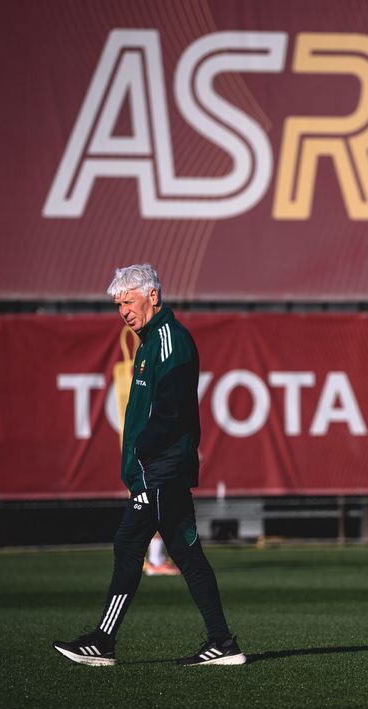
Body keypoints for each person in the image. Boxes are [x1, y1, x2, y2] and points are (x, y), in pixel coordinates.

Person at [54, 264, 245, 666]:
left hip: (159, 469)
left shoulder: (167, 341)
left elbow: (172, 412)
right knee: (188, 554)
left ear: (152, 296)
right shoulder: (150, 341)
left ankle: (103, 640)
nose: (122, 311)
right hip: (156, 468)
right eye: (118, 304)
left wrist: (142, 453)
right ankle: (223, 644)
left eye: (128, 301)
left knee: (128, 544)